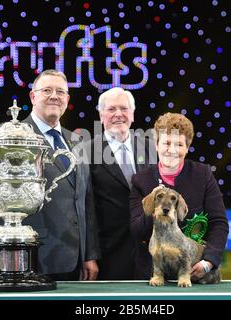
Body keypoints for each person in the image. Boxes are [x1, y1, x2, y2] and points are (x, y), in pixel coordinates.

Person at [130, 112, 229, 281]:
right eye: (166, 143)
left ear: (187, 147)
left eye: (179, 144)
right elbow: (137, 230)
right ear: (156, 145)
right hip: (153, 273)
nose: (172, 150)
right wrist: (154, 202)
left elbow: (219, 223)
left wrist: (208, 262)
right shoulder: (141, 180)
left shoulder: (203, 174)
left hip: (194, 272)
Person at [22, 69, 100, 280]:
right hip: (33, 260)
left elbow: (85, 201)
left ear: (67, 99)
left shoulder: (77, 141)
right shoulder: (16, 137)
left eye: (60, 92)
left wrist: (89, 254)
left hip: (75, 261)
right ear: (33, 96)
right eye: (47, 90)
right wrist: (17, 253)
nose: (54, 96)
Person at [88, 87, 157, 280]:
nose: (118, 114)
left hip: (149, 253)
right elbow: (86, 209)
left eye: (124, 109)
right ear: (101, 115)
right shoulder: (86, 151)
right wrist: (89, 256)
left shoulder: (150, 148)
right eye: (111, 109)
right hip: (108, 254)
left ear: (132, 115)